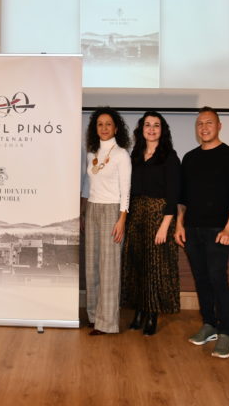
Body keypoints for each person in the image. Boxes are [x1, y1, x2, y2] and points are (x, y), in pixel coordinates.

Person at [175, 107, 229, 358]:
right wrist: (179, 225)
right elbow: (182, 198)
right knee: (201, 278)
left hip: (218, 231)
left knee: (217, 279)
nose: (204, 128)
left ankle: (225, 331)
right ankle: (209, 324)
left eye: (209, 123)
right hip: (192, 230)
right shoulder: (189, 158)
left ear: (219, 126)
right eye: (200, 124)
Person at [120, 111, 180, 336]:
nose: (152, 129)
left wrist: (165, 226)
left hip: (159, 216)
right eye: (148, 125)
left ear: (162, 130)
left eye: (156, 125)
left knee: (156, 267)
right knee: (137, 265)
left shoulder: (169, 157)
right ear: (141, 129)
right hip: (136, 215)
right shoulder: (134, 155)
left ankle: (153, 314)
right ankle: (139, 310)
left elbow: (173, 195)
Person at [81, 107, 131, 335]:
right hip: (92, 209)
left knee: (109, 268)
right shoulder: (91, 153)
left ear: (116, 128)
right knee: (92, 266)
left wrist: (122, 220)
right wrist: (83, 212)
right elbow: (87, 185)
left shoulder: (121, 155)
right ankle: (94, 316)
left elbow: (125, 190)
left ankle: (107, 322)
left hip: (112, 211)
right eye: (100, 124)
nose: (104, 128)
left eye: (108, 124)